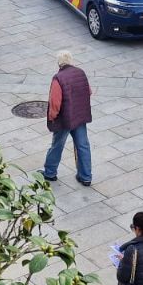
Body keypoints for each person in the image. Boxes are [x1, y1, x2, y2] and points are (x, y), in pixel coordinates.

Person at [42, 50, 92, 185]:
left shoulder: (58, 78)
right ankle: (86, 176)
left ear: (59, 63)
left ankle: (50, 173)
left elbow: (55, 103)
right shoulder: (81, 72)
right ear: (71, 61)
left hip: (64, 120)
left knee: (57, 145)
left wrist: (52, 117)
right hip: (80, 117)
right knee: (83, 145)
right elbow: (89, 91)